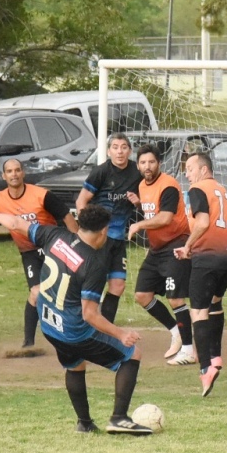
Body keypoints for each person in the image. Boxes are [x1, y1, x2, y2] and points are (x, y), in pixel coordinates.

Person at [0, 203, 152, 435]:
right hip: (73, 330)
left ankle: (85, 423)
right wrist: (122, 334)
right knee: (132, 355)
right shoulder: (94, 263)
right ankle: (119, 418)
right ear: (103, 231)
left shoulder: (55, 235)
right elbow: (89, 314)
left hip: (49, 325)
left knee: (75, 364)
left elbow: (16, 223)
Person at [0, 158, 78, 349]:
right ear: (3, 176)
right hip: (29, 251)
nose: (14, 174)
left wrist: (77, 243)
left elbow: (66, 216)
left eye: (17, 170)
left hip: (52, 248)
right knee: (36, 292)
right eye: (10, 171)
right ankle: (28, 342)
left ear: (23, 173)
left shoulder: (41, 195)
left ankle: (74, 333)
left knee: (65, 292)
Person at [174, 151, 227, 397]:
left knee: (198, 311)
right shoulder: (221, 190)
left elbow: (202, 223)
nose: (187, 174)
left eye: (190, 168)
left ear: (203, 169)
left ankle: (205, 370)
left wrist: (188, 247)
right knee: (215, 302)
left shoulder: (198, 189)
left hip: (208, 255)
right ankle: (216, 356)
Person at [127, 144, 196, 366]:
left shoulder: (168, 185)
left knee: (176, 298)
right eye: (143, 163)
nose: (147, 166)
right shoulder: (141, 185)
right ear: (138, 165)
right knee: (142, 295)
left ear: (159, 163)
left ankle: (189, 350)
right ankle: (176, 331)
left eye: (152, 162)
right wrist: (138, 206)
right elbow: (152, 213)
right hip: (157, 249)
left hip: (176, 244)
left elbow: (165, 218)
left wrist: (138, 225)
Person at [75, 133, 142, 324]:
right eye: (115, 147)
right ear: (108, 151)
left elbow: (145, 205)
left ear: (129, 150)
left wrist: (138, 203)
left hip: (118, 239)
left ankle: (105, 327)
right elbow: (81, 200)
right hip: (99, 239)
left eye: (123, 147)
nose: (119, 151)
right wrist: (87, 228)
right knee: (92, 286)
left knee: (118, 286)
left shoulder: (136, 173)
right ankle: (81, 326)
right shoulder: (101, 171)